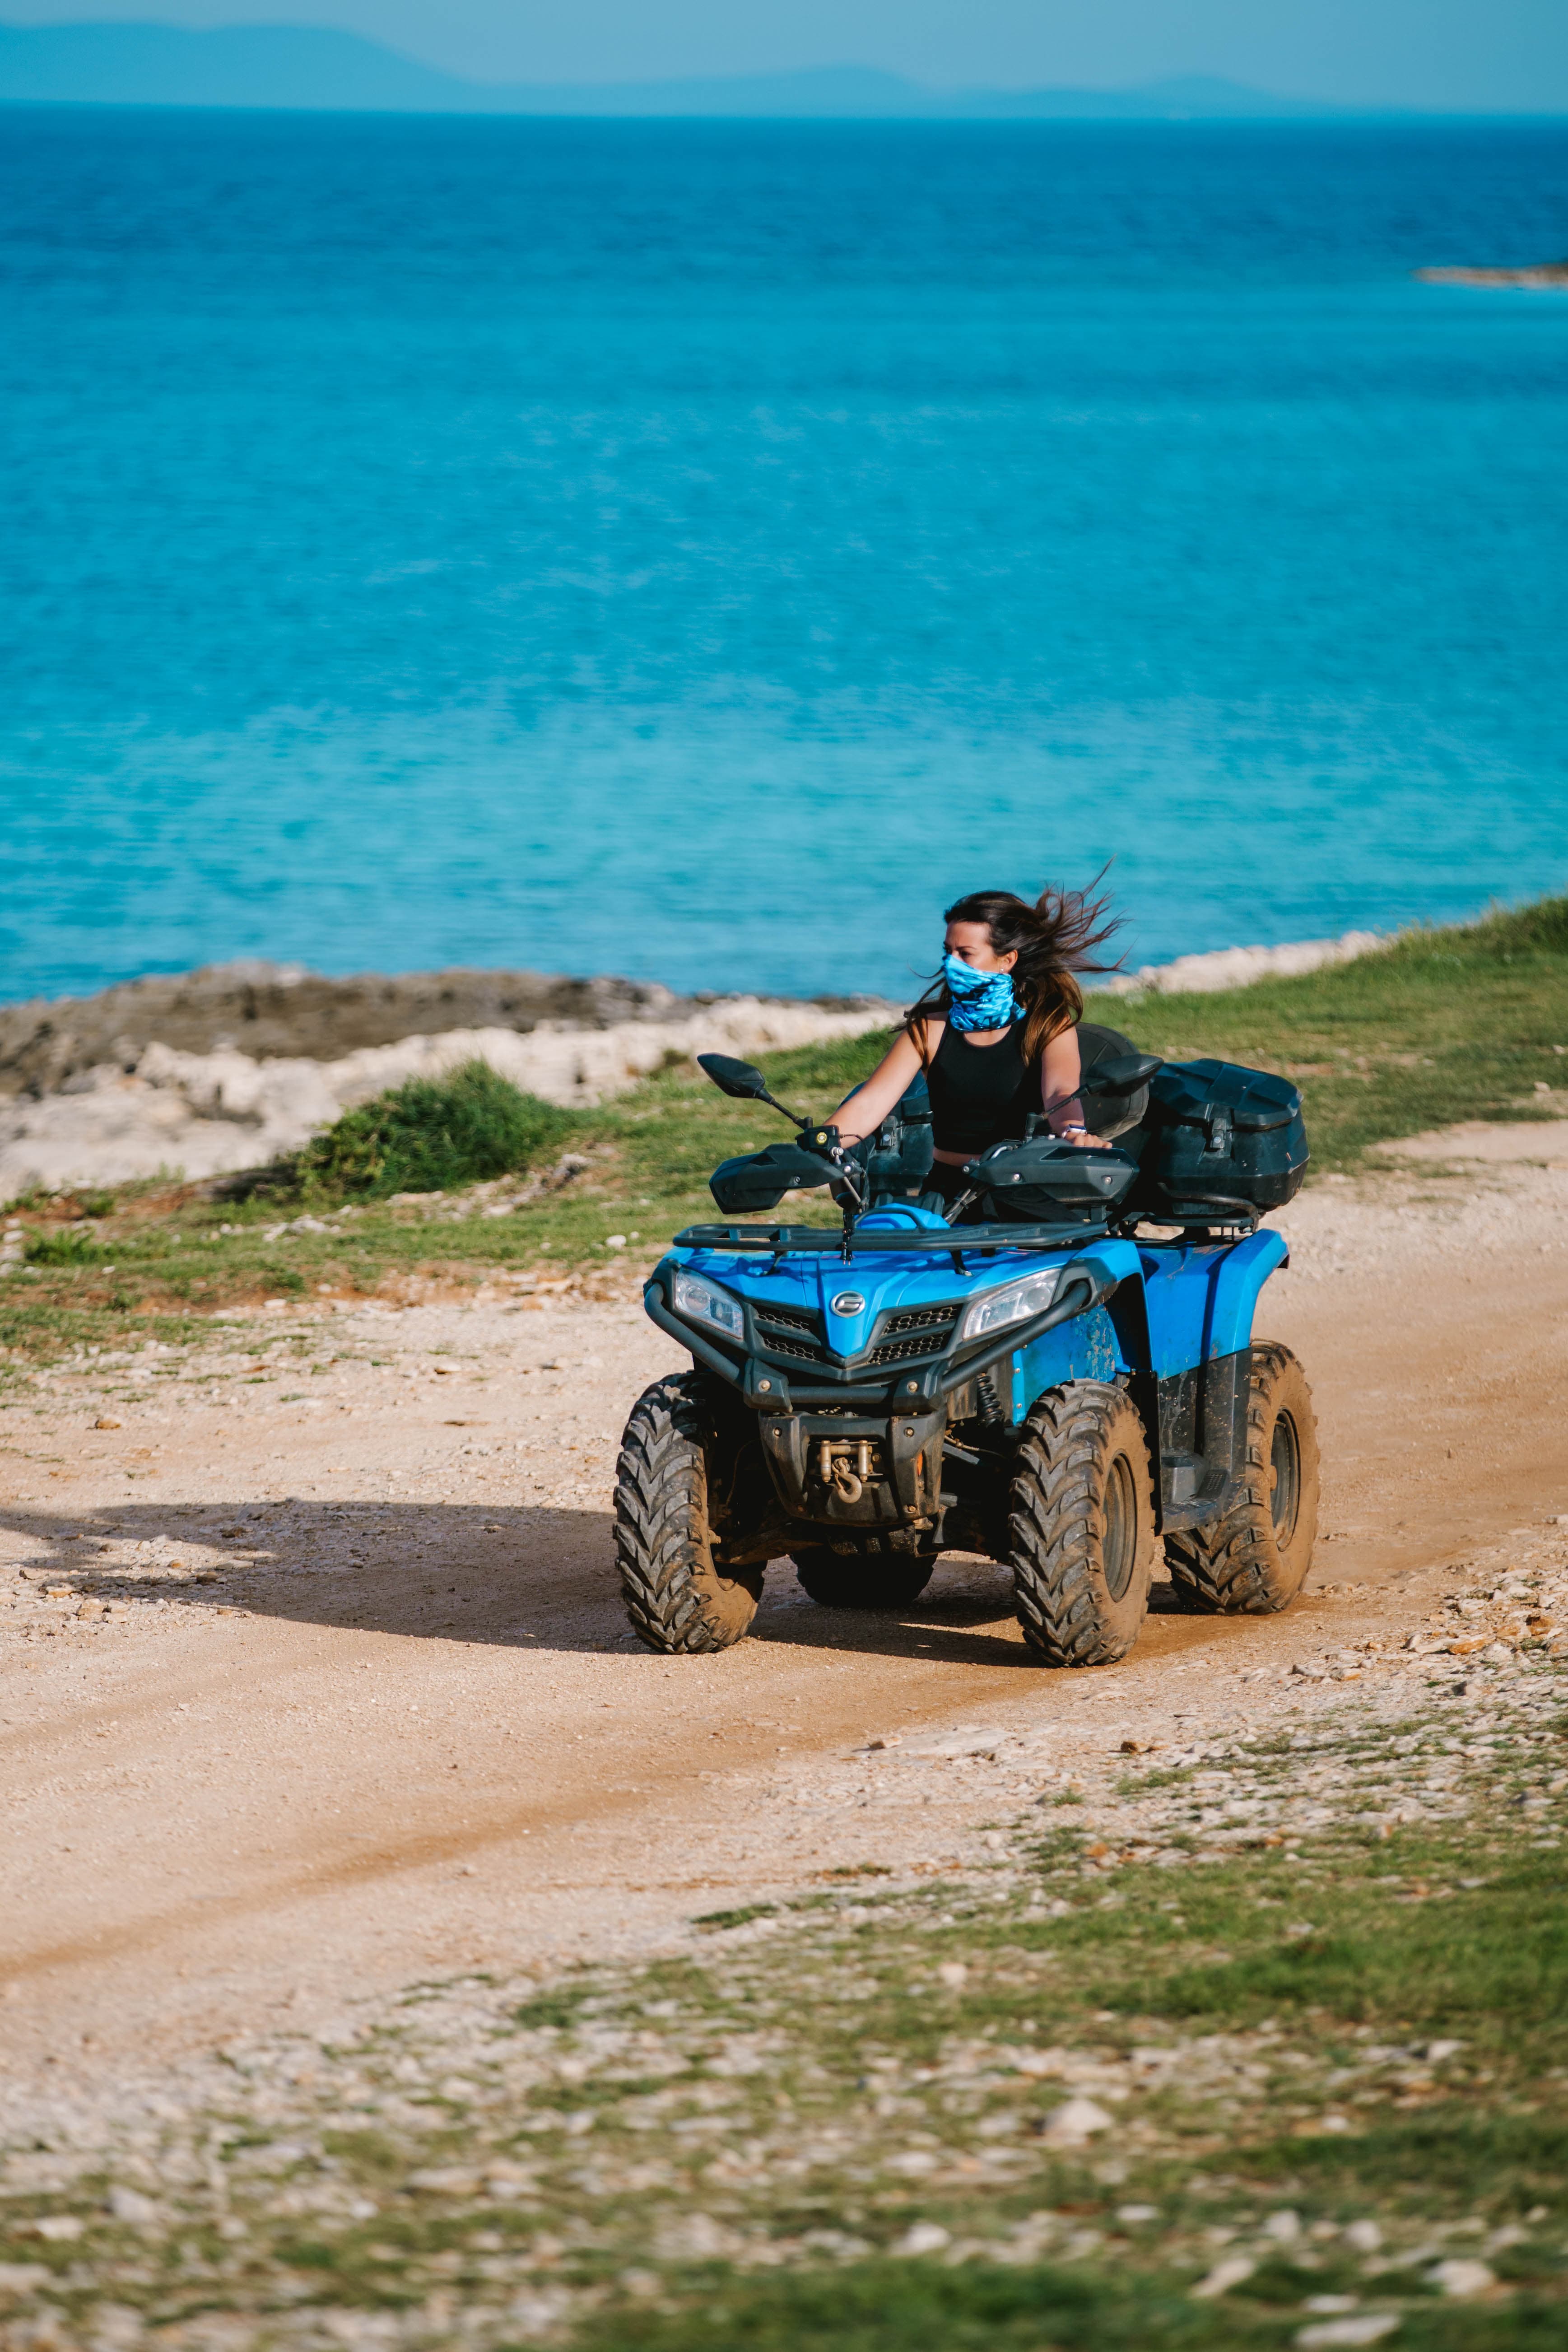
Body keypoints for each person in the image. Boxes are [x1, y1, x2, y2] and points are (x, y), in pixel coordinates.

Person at [833, 884, 1121, 1214]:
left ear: (1007, 960)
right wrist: (820, 1144)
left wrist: (1073, 1131)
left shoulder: (1047, 1024)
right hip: (944, 1192)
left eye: (965, 954)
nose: (950, 963)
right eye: (948, 952)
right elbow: (870, 1103)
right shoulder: (928, 1028)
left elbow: (1061, 1092)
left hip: (1022, 1190)